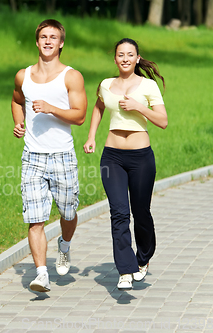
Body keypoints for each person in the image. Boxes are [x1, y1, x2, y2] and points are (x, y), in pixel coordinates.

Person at [83, 38, 168, 290]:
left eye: (130, 54)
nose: (125, 58)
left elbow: (162, 121)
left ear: (137, 58)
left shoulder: (148, 86)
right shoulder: (106, 85)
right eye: (121, 54)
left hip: (141, 157)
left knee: (141, 212)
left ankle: (143, 259)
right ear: (115, 58)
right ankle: (125, 269)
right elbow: (99, 106)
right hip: (112, 157)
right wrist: (91, 136)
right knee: (119, 213)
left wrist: (138, 106)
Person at [11, 19, 87, 292]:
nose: (47, 41)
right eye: (43, 36)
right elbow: (16, 99)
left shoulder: (71, 76)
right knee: (35, 218)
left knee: (68, 211)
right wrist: (19, 122)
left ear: (61, 43)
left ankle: (64, 245)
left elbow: (79, 116)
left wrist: (52, 108)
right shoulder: (24, 75)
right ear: (37, 41)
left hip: (62, 155)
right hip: (32, 156)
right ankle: (41, 273)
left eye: (53, 37)